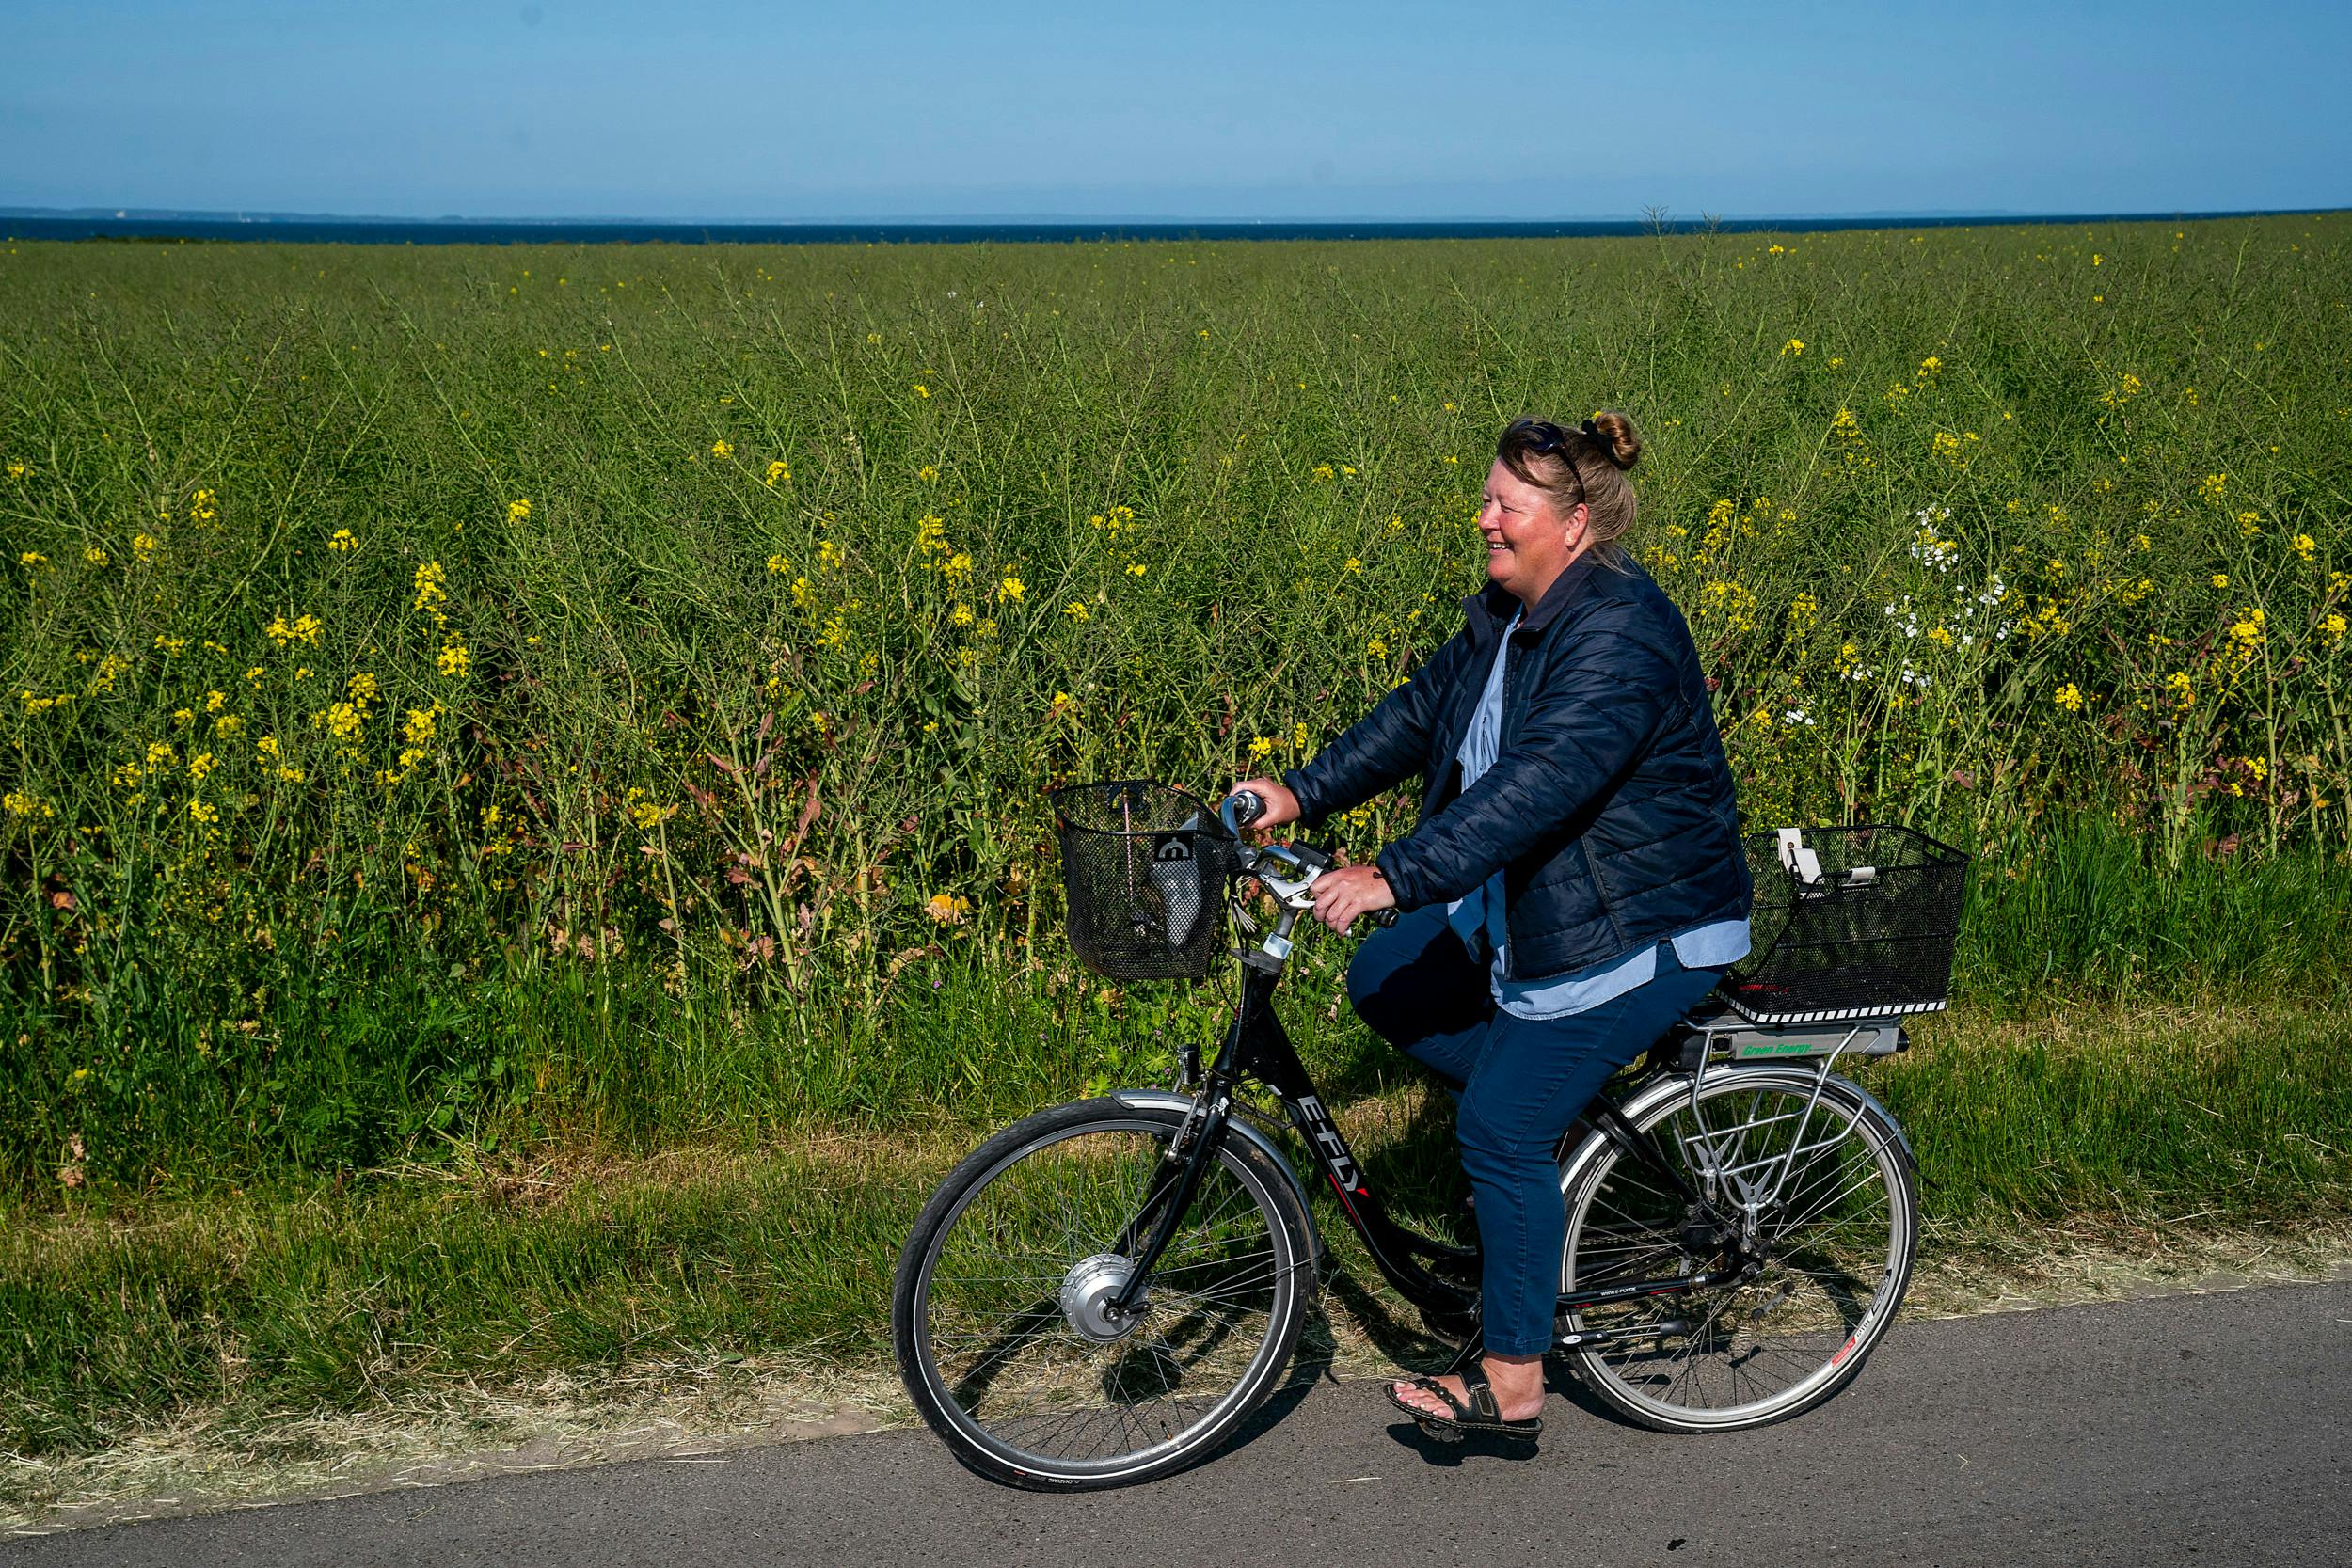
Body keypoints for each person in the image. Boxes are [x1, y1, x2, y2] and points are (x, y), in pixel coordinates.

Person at [1229, 413, 1752, 1441]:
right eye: (1486, 501)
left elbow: (1537, 786)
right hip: (1549, 908)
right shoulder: (1509, 614)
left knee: (1497, 1126)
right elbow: (1420, 711)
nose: (1483, 521)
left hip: (1642, 923)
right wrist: (1297, 791)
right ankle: (1554, 1137)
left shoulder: (1621, 634)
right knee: (1387, 980)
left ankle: (1512, 1380)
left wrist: (1393, 873)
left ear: (1576, 523)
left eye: (1504, 506)